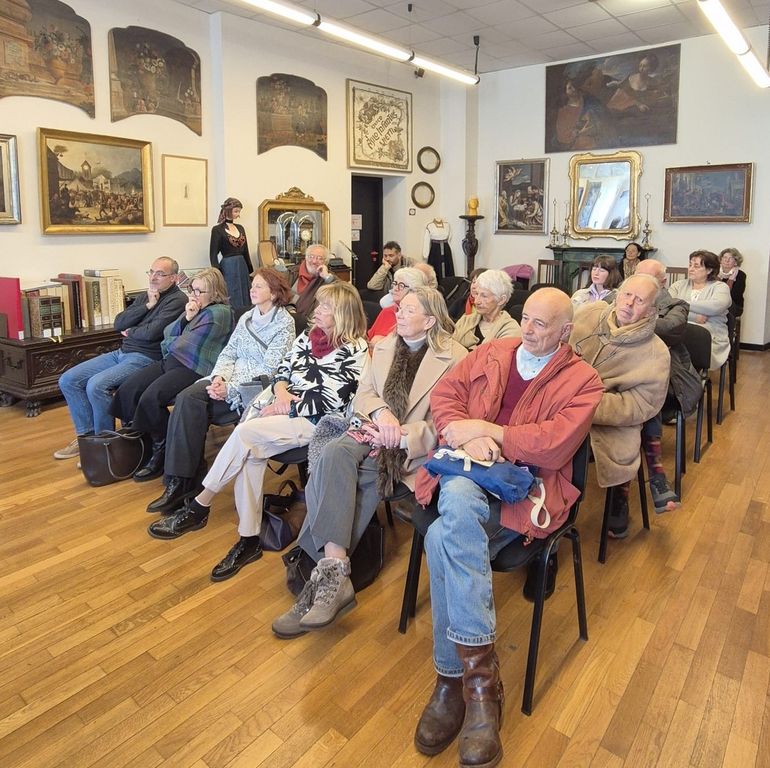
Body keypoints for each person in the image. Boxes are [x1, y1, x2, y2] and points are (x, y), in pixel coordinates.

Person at [411, 288, 603, 766]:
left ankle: (453, 681)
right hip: (466, 473)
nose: (528, 330)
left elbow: (555, 445)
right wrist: (462, 434)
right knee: (458, 498)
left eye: (541, 324)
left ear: (565, 331)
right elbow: (447, 394)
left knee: (441, 534)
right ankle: (480, 687)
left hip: (527, 493)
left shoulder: (584, 380)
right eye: (525, 318)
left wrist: (489, 431)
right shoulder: (493, 351)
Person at [271, 288, 468, 639]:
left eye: (408, 310)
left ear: (430, 321)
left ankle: (316, 583)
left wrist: (400, 434)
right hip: (370, 428)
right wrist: (381, 414)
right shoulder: (388, 345)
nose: (398, 314)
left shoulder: (456, 358)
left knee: (347, 477)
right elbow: (365, 393)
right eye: (400, 308)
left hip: (410, 448)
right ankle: (335, 572)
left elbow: (448, 424)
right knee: (333, 453)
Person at [147, 282, 368, 583]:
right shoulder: (309, 336)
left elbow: (333, 400)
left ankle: (200, 504)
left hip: (318, 421)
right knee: (250, 455)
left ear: (343, 313)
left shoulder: (355, 350)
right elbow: (283, 370)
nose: (317, 310)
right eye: (318, 304)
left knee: (244, 435)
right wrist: (281, 393)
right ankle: (248, 538)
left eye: (325, 306)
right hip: (284, 408)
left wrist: (285, 406)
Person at [145, 268, 296, 514]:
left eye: (258, 286)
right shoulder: (247, 317)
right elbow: (228, 353)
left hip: (255, 390)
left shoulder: (284, 323)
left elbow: (270, 370)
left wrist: (231, 389)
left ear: (274, 292)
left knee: (194, 408)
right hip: (228, 380)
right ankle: (180, 480)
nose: (252, 290)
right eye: (252, 285)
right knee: (187, 397)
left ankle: (185, 481)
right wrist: (219, 378)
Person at [54, 258, 187, 461]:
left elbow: (151, 333)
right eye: (151, 272)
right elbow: (119, 323)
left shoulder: (177, 301)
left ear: (174, 278)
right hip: (121, 353)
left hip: (145, 357)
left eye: (160, 274)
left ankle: (104, 443)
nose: (153, 277)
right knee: (68, 380)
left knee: (96, 385)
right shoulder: (147, 296)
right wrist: (147, 305)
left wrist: (132, 330)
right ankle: (87, 438)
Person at [570, 274, 671, 537]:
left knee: (621, 450)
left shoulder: (656, 352)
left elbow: (641, 404)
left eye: (640, 300)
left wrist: (587, 404)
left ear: (651, 310)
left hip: (610, 418)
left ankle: (619, 496)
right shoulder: (589, 314)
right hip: (563, 404)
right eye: (627, 295)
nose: (629, 303)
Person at [110, 268, 233, 481]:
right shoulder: (195, 308)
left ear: (214, 292)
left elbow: (183, 344)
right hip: (172, 360)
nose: (193, 295)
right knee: (129, 389)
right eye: (192, 290)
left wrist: (175, 337)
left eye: (199, 291)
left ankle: (162, 449)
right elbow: (169, 333)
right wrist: (187, 318)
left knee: (151, 398)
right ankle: (144, 444)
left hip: (193, 368)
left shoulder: (219, 313)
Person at [635, 260, 702, 512]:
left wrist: (629, 318)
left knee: (645, 393)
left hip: (667, 379)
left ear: (662, 282)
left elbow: (669, 329)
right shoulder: (619, 298)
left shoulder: (676, 305)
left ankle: (654, 474)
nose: (640, 283)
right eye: (637, 276)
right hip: (622, 374)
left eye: (648, 278)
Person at [669, 250, 731, 370]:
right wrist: (694, 317)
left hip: (711, 334)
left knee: (691, 335)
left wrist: (680, 303)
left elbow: (715, 307)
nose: (691, 269)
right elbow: (667, 307)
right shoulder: (678, 285)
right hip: (679, 330)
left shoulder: (720, 287)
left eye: (696, 266)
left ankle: (689, 374)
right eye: (690, 265)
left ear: (709, 270)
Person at [452, 269, 520, 351]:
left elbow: (498, 357)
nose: (476, 301)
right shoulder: (466, 320)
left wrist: (467, 351)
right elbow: (451, 349)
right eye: (476, 294)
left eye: (484, 296)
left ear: (501, 300)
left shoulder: (511, 329)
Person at [210, 197, 253, 309]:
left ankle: (245, 313)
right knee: (231, 293)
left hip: (242, 266)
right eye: (236, 211)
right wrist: (217, 273)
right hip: (228, 267)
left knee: (245, 292)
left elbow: (245, 250)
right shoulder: (217, 230)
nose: (238, 214)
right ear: (228, 210)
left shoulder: (240, 228)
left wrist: (250, 269)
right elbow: (213, 253)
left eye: (239, 211)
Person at [367, 267, 428, 346]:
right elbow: (369, 338)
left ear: (414, 290)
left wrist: (382, 342)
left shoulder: (417, 316)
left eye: (401, 286)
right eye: (395, 284)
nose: (395, 288)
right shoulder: (387, 311)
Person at [292, 243, 337, 318]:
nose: (314, 261)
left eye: (320, 258)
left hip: (309, 320)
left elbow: (344, 292)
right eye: (311, 257)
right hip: (286, 316)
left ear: (325, 262)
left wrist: (326, 277)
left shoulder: (328, 278)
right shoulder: (291, 272)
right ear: (306, 258)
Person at [718, 247, 746, 317]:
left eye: (730, 258)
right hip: (716, 303)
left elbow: (735, 295)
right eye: (725, 257)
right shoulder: (715, 273)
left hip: (734, 305)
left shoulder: (741, 275)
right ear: (721, 260)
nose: (727, 260)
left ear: (736, 262)